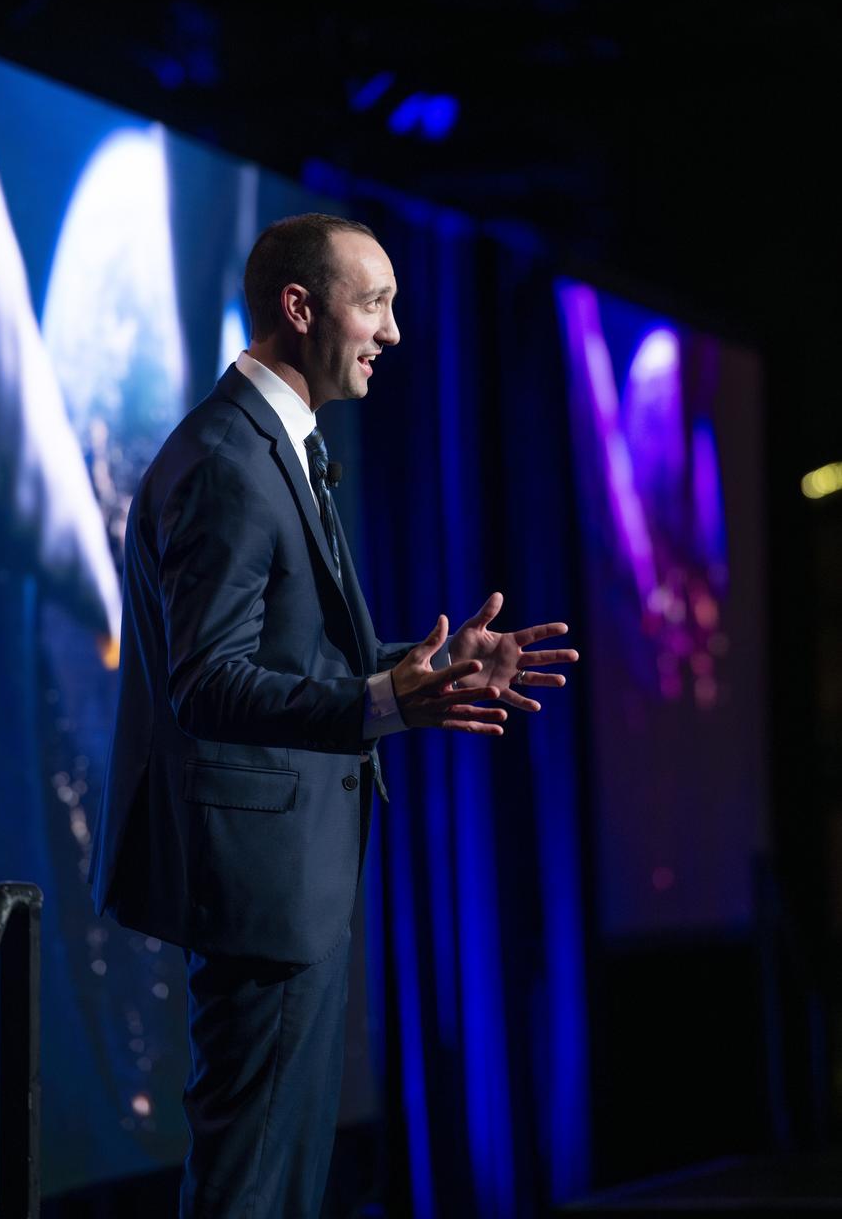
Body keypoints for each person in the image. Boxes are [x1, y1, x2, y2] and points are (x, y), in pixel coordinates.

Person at [89, 213, 577, 1218]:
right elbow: (208, 682)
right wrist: (381, 700)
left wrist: (425, 665)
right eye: (375, 304)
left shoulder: (273, 441)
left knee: (280, 1182)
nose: (392, 332)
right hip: (259, 890)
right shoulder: (229, 459)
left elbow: (294, 655)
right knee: (249, 1188)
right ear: (298, 307)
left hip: (289, 881)